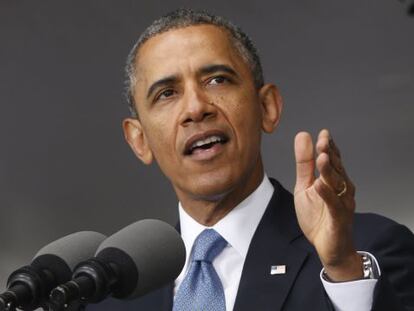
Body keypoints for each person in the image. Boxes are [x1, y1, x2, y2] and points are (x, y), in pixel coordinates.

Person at [89, 9, 414, 311]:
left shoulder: (366, 251)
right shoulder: (111, 294)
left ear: (268, 107)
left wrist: (344, 269)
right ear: (139, 139)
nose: (195, 108)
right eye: (167, 93)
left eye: (217, 79)